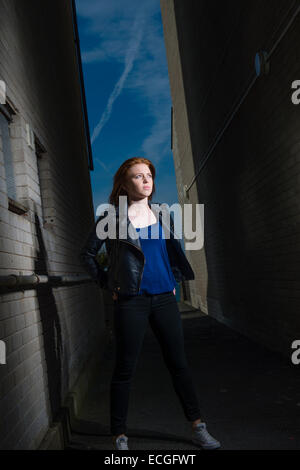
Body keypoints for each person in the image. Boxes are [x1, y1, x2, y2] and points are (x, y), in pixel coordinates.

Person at [79, 157, 221, 451]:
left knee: (179, 364)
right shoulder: (112, 218)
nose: (146, 180)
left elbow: (171, 251)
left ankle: (198, 427)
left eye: (149, 175)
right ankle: (119, 435)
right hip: (131, 301)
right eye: (137, 176)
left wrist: (174, 281)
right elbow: (87, 255)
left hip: (164, 300)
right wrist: (108, 283)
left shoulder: (162, 214)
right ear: (124, 183)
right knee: (124, 369)